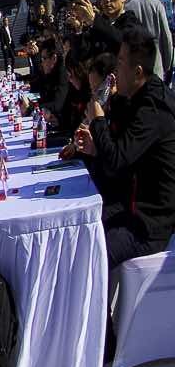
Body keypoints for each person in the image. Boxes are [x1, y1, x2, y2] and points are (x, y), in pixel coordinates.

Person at [69, 22, 175, 272]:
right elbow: (120, 153)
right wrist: (96, 149)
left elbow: (117, 160)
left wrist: (98, 121)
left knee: (92, 255)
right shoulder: (136, 98)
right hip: (130, 206)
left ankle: (97, 312)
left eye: (120, 63)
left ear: (138, 72)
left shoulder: (153, 109)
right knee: (79, 231)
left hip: (149, 224)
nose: (115, 70)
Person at [105, 0, 175, 82]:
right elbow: (167, 39)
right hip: (156, 70)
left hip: (134, 75)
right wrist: (166, 66)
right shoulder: (156, 5)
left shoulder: (125, 8)